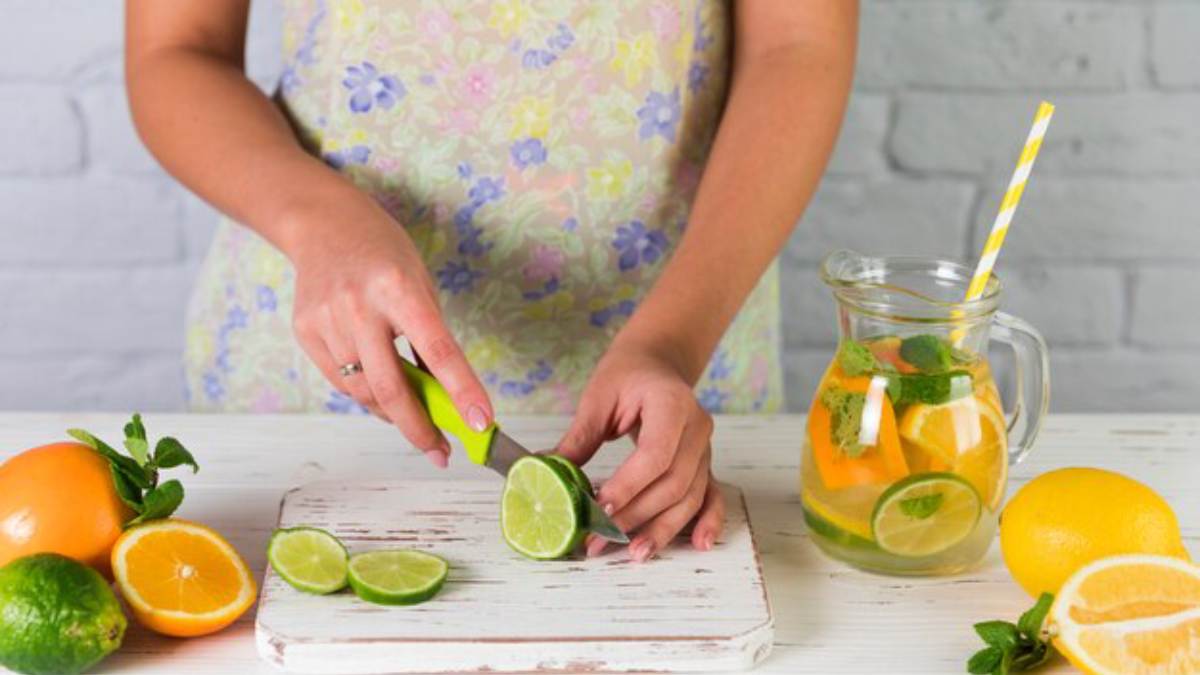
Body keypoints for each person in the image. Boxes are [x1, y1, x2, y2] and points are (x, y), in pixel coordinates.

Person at [126, 1, 856, 562]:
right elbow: (175, 50)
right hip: (315, 377)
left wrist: (671, 343)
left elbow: (799, 45)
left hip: (680, 376)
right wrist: (317, 219)